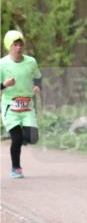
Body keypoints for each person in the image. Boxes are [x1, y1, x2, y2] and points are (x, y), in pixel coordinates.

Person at [1, 30, 43, 179]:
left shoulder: (31, 62)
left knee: (33, 138)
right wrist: (4, 85)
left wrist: (38, 86)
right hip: (10, 106)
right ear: (9, 46)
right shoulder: (2, 64)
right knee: (17, 139)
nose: (18, 48)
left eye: (20, 44)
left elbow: (38, 77)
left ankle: (18, 135)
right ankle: (16, 168)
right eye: (15, 45)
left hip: (27, 106)